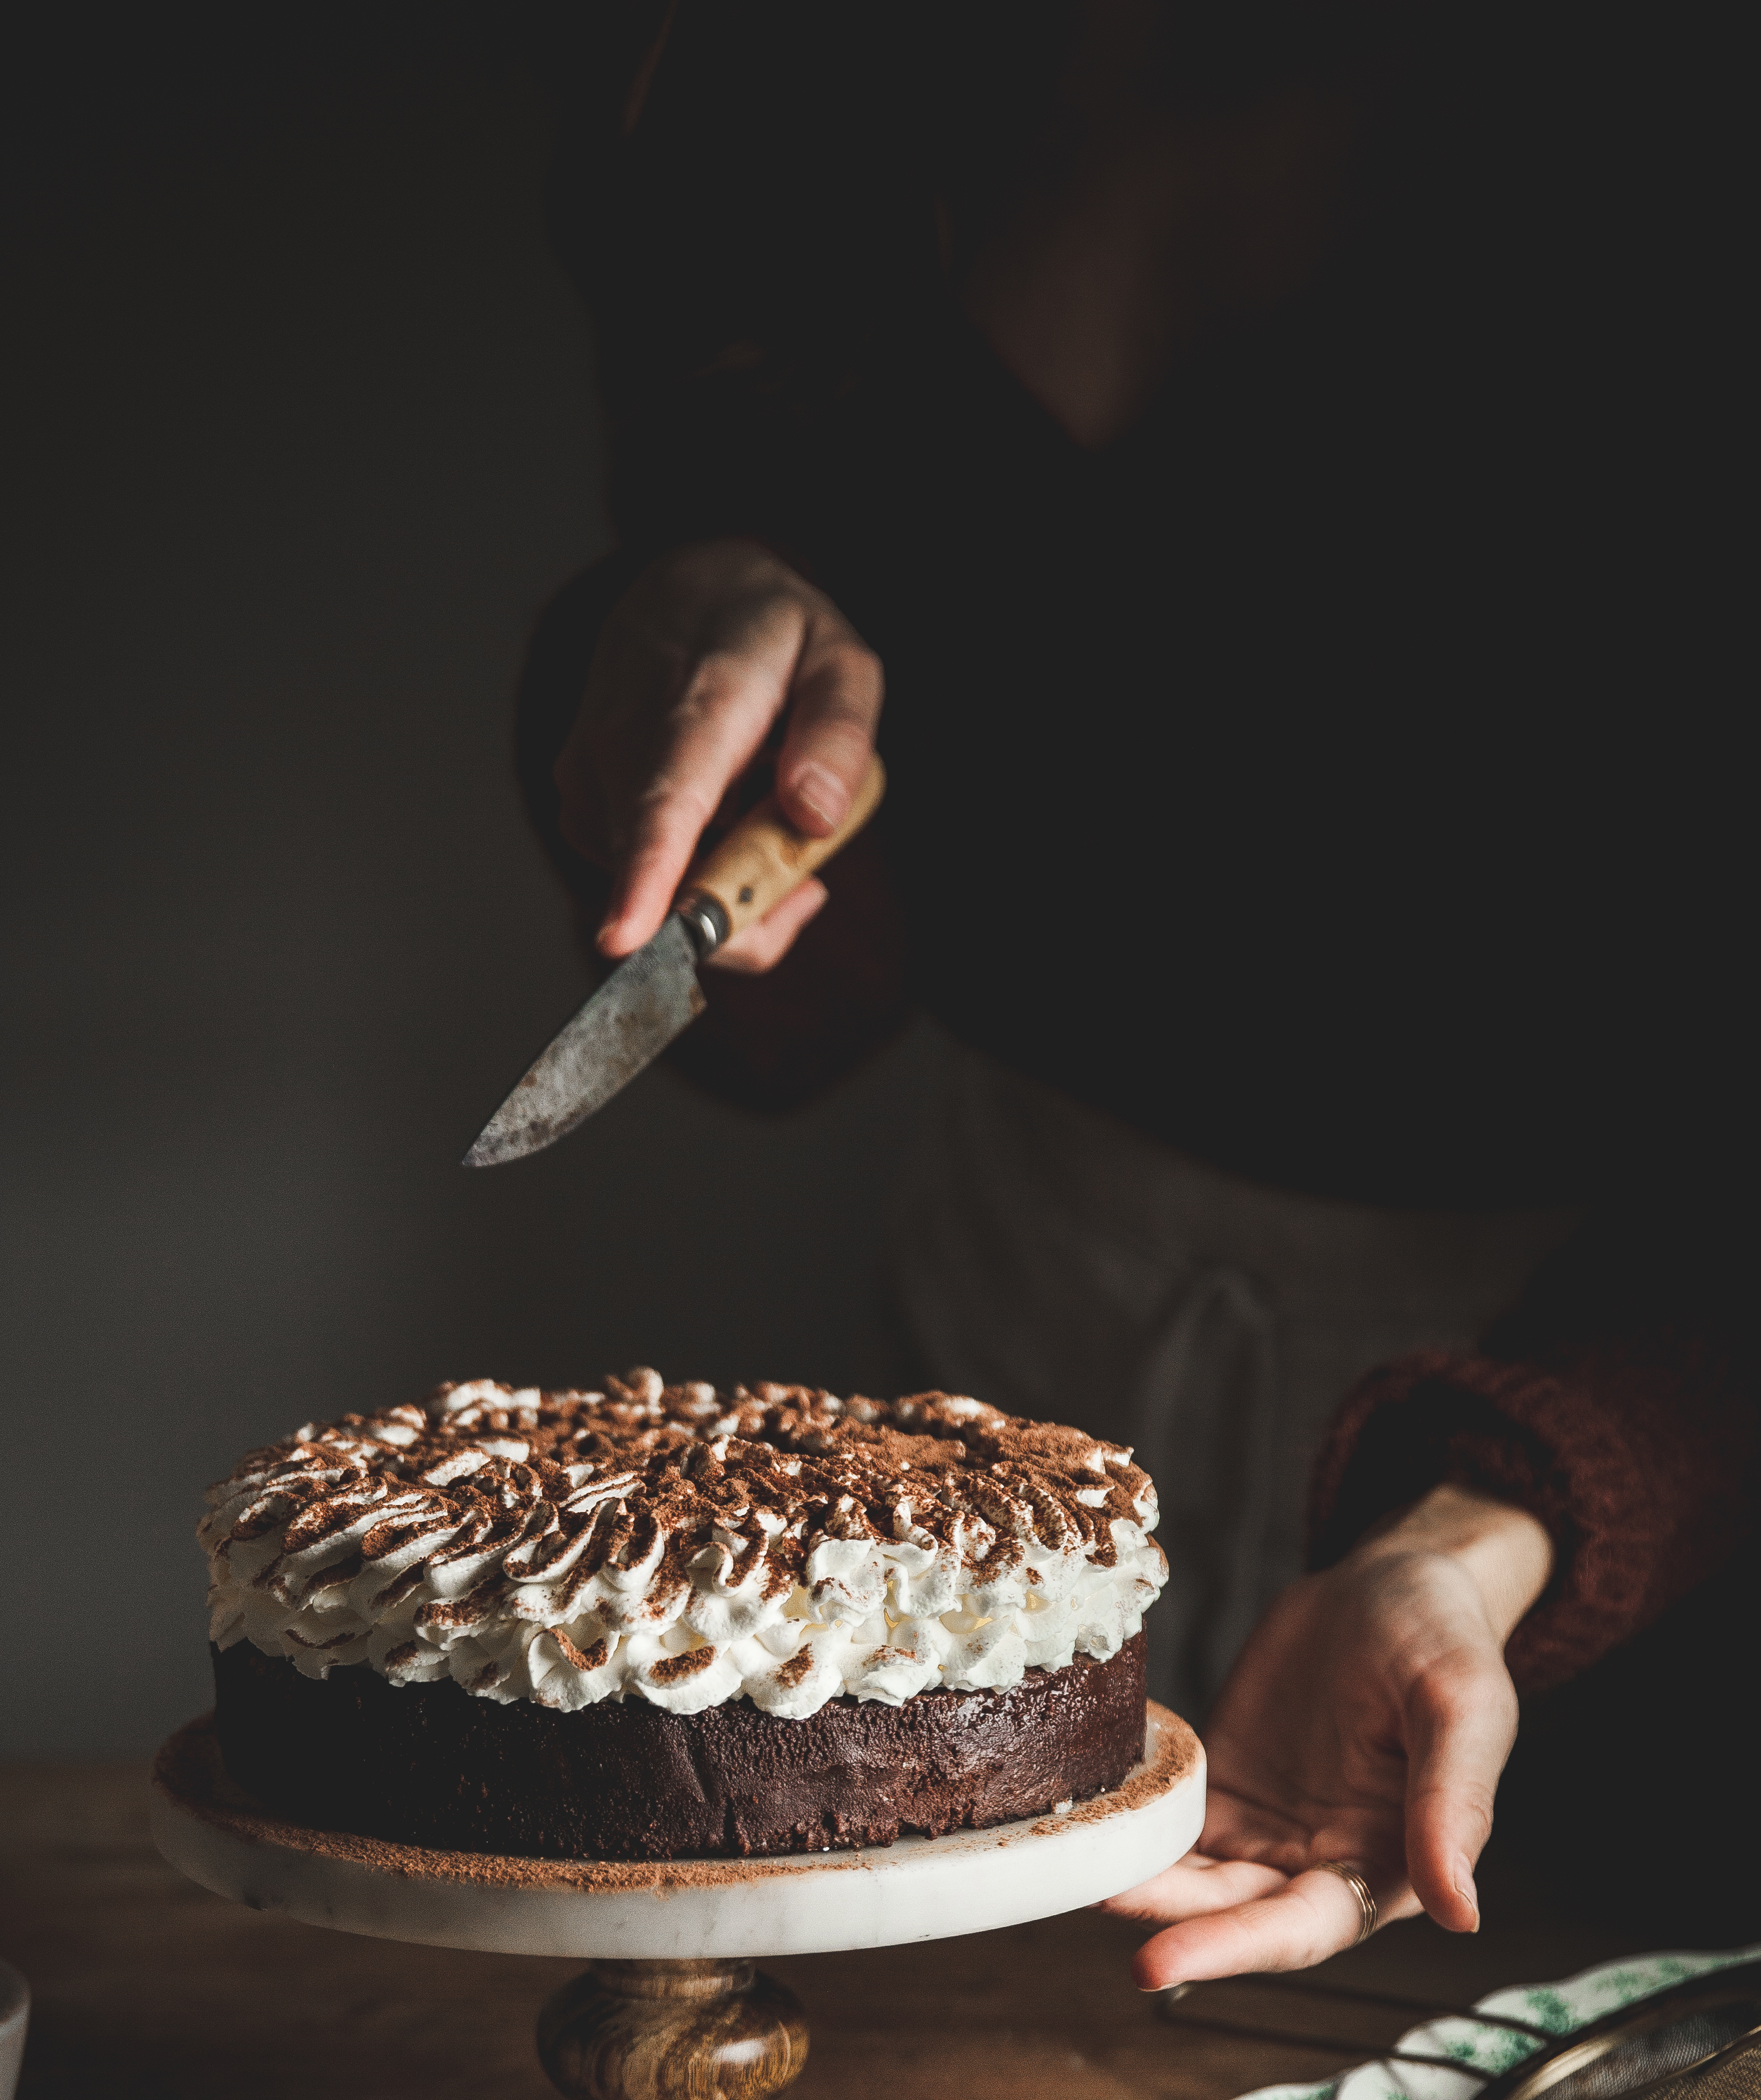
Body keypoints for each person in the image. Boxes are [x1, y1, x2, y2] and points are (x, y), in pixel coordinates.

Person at [519, 1, 1746, 1980]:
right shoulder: (750, 77)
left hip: (1592, 1521)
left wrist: (1491, 1524)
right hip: (992, 1360)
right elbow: (795, 1020)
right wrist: (661, 647)